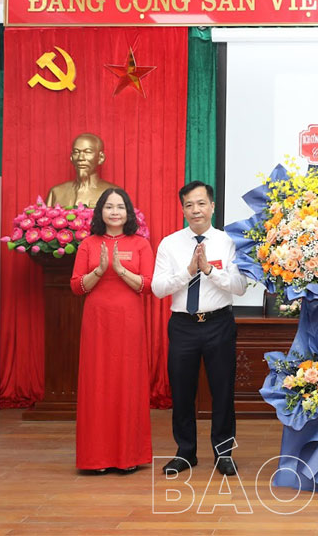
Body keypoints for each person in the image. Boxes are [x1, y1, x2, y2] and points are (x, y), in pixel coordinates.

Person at [152, 181, 247, 476]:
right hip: (183, 326)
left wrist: (209, 270)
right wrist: (188, 272)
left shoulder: (228, 242)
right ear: (182, 209)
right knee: (182, 392)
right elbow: (158, 288)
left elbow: (240, 287)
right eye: (189, 205)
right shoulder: (170, 243)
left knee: (223, 391)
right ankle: (185, 453)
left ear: (212, 206)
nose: (196, 210)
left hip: (219, 323)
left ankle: (224, 453)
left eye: (201, 203)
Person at [70, 187, 154, 472]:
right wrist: (99, 270)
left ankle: (128, 456)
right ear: (100, 212)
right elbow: (76, 286)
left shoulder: (140, 244)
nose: (115, 212)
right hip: (97, 322)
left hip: (129, 321)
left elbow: (148, 285)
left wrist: (120, 270)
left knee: (127, 382)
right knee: (97, 383)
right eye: (109, 206)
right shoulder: (88, 243)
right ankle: (96, 458)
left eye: (120, 207)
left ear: (128, 213)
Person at [46, 133, 118, 208]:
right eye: (76, 152)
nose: (80, 158)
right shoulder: (56, 193)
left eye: (88, 152)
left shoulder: (114, 193)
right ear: (71, 157)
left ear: (101, 158)